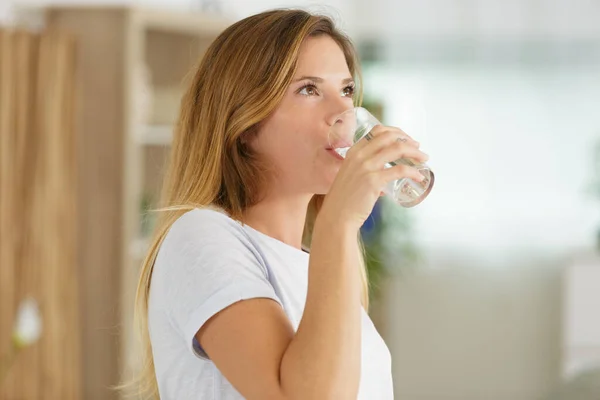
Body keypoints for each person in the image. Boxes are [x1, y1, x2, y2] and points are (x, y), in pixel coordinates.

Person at [131, 8, 428, 400]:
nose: (343, 113)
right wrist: (338, 224)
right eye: (309, 89)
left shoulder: (319, 262)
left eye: (347, 90)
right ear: (244, 124)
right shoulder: (200, 237)